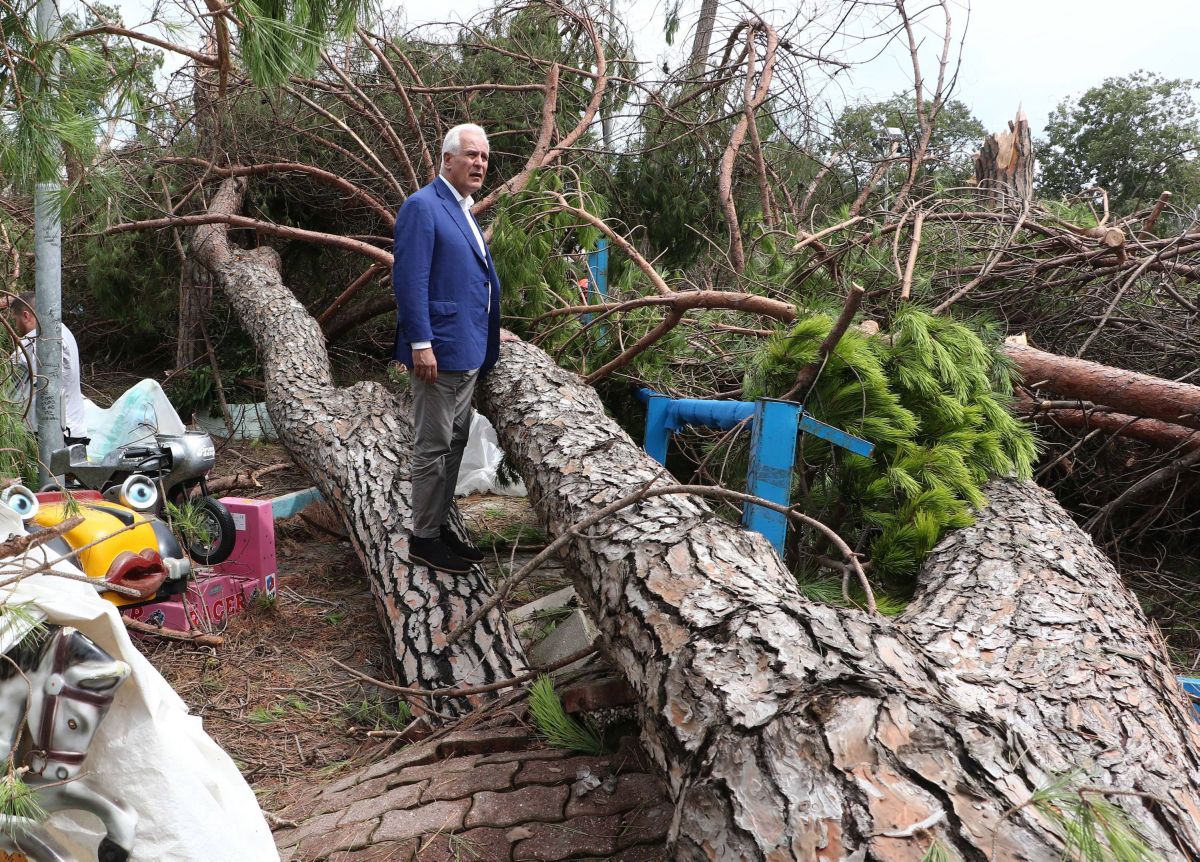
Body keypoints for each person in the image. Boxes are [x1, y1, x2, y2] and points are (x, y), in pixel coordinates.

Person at [393, 123, 509, 574]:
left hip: (467, 348)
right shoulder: (423, 206)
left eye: (484, 157)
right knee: (433, 445)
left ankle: (438, 527)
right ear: (447, 159)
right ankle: (423, 539)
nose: (480, 163)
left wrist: (491, 328)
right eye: (471, 155)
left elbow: (467, 280)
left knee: (455, 442)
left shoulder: (463, 208)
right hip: (437, 352)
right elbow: (410, 280)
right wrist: (420, 343)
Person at [6, 292, 89, 448]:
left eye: (15, 319)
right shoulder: (63, 331)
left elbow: (8, 382)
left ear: (26, 315)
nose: (15, 326)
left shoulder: (35, 341)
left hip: (53, 433)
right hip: (74, 430)